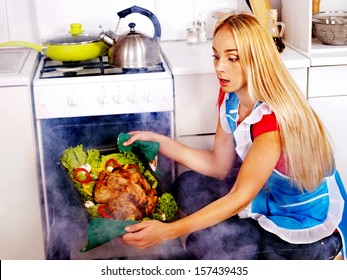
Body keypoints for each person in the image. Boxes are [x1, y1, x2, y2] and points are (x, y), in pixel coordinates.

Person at [120, 13, 347, 260]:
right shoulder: (231, 98)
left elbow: (239, 198)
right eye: (216, 56)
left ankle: (327, 255)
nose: (219, 67)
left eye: (233, 58)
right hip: (270, 196)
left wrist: (168, 231)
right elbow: (218, 165)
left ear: (255, 60)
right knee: (186, 186)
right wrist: (160, 141)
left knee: (201, 243)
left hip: (303, 221)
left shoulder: (271, 123)